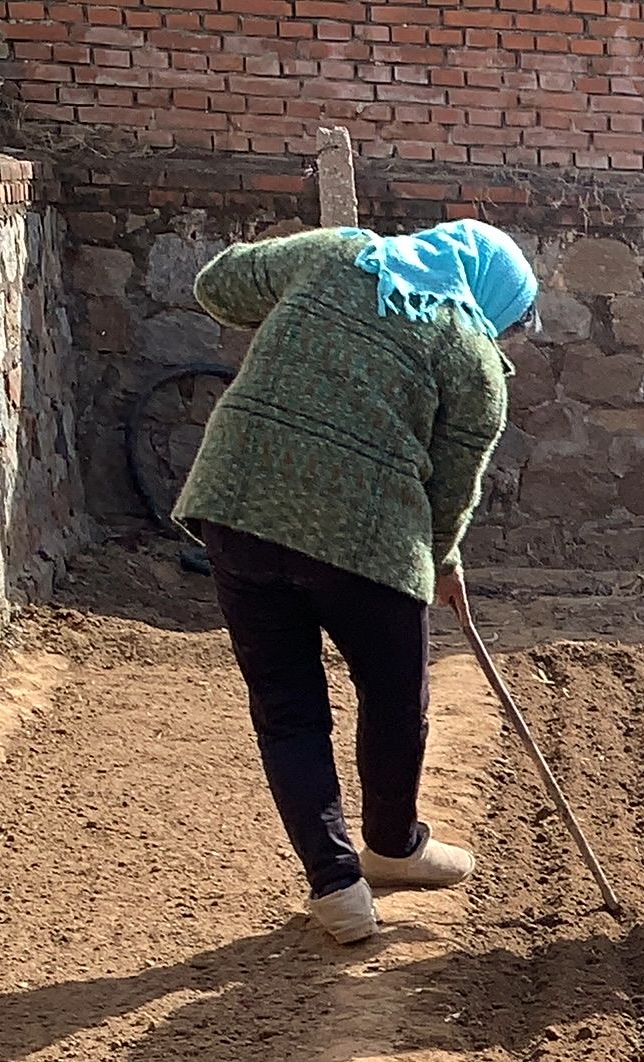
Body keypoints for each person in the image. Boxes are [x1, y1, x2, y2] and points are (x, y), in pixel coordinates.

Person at [177, 219, 535, 947]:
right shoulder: (475, 361)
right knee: (396, 695)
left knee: (288, 709)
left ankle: (337, 888)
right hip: (365, 539)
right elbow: (450, 497)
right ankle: (392, 844)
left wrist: (308, 273)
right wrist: (439, 561)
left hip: (238, 506)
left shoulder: (335, 253)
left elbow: (216, 284)